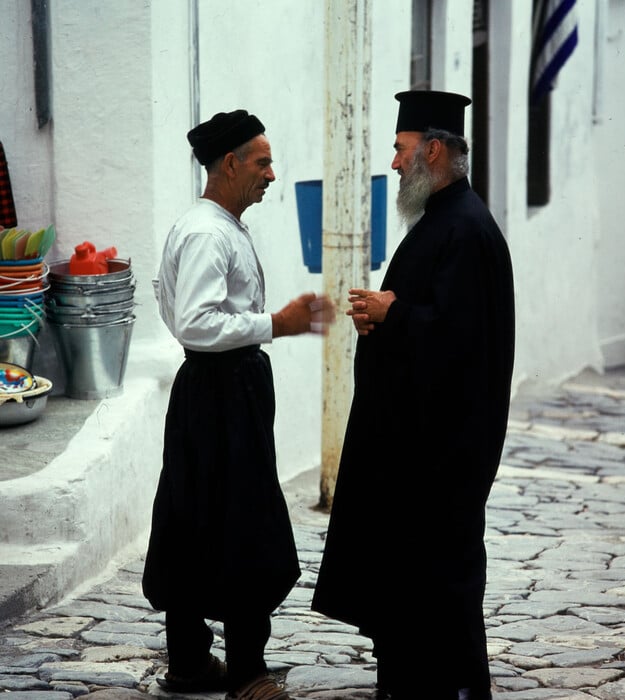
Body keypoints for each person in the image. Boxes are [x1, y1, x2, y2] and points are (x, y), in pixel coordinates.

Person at [311, 91, 515, 700]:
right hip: (416, 448)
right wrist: (383, 315)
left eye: (400, 150)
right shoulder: (443, 222)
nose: (394, 164)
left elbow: (459, 340)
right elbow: (431, 319)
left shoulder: (467, 229)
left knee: (438, 578)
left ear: (432, 150)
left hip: (442, 454)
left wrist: (393, 313)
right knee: (408, 577)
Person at [142, 110, 334, 700]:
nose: (272, 175)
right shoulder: (207, 232)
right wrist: (277, 323)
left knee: (196, 516)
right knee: (241, 521)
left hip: (216, 390)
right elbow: (197, 323)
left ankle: (190, 665)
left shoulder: (213, 225)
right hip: (222, 392)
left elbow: (168, 298)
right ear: (229, 164)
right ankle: (247, 673)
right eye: (262, 162)